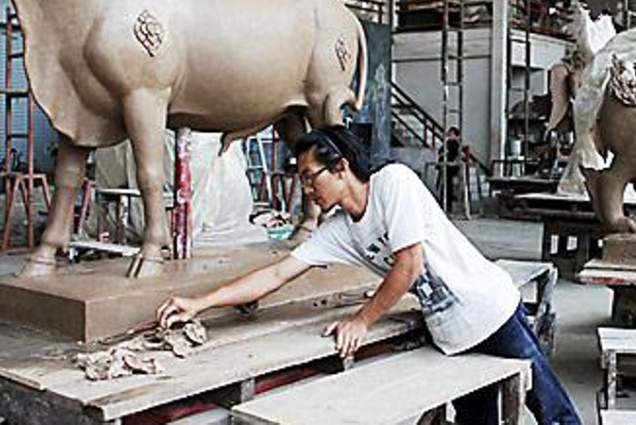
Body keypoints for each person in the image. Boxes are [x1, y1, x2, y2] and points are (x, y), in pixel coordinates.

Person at [157, 125, 581, 425]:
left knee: (551, 409)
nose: (307, 190)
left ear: (341, 167)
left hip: (490, 311)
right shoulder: (339, 229)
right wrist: (200, 303)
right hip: (452, 333)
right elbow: (277, 274)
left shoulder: (393, 183)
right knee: (477, 420)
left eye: (310, 177)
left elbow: (408, 263)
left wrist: (362, 320)